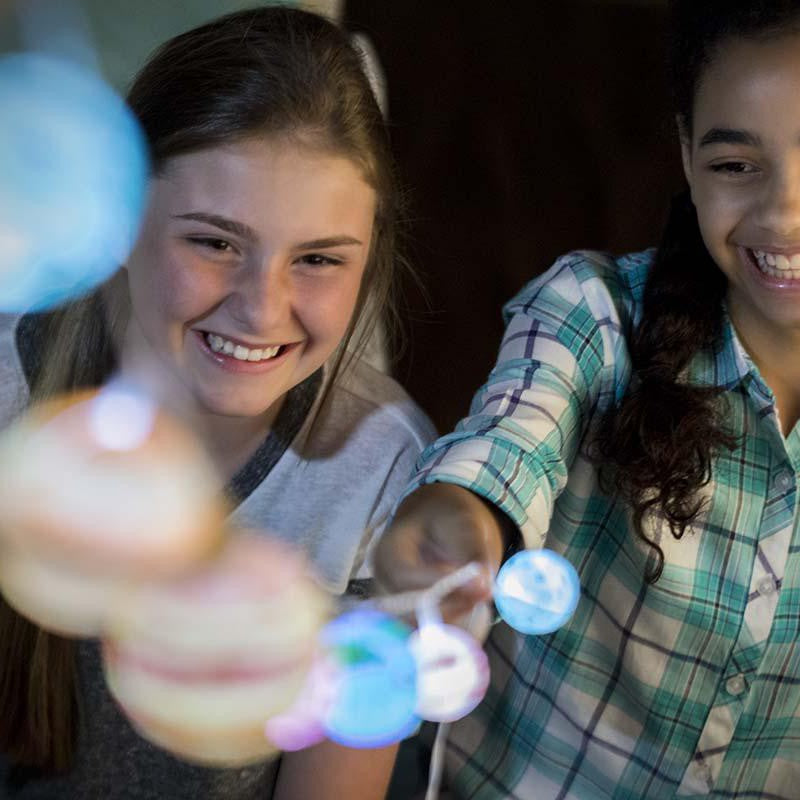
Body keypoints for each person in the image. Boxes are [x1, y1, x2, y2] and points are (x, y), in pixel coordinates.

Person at [0, 7, 435, 799]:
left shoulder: (381, 466)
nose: (262, 310)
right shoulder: (10, 394)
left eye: (317, 260)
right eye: (215, 243)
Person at [374, 1, 800, 797]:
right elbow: (508, 443)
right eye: (736, 165)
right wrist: (457, 521)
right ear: (684, 151)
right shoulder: (594, 315)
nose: (782, 213)